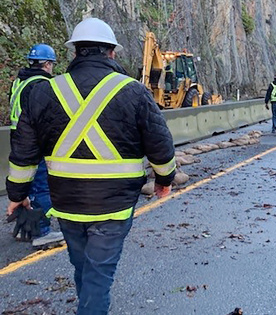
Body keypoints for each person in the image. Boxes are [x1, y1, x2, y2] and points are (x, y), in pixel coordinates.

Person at [6, 18, 176, 315]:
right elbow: (160, 144)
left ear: (74, 53)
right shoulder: (133, 91)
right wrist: (165, 178)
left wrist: (17, 194)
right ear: (112, 53)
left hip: (67, 202)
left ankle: (89, 305)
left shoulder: (45, 92)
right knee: (98, 274)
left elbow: (23, 152)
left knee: (83, 265)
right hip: (115, 205)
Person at [9, 43, 65, 248]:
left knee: (26, 185)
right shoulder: (41, 85)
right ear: (48, 64)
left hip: (18, 139)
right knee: (42, 186)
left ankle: (26, 228)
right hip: (35, 142)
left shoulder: (20, 82)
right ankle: (42, 232)